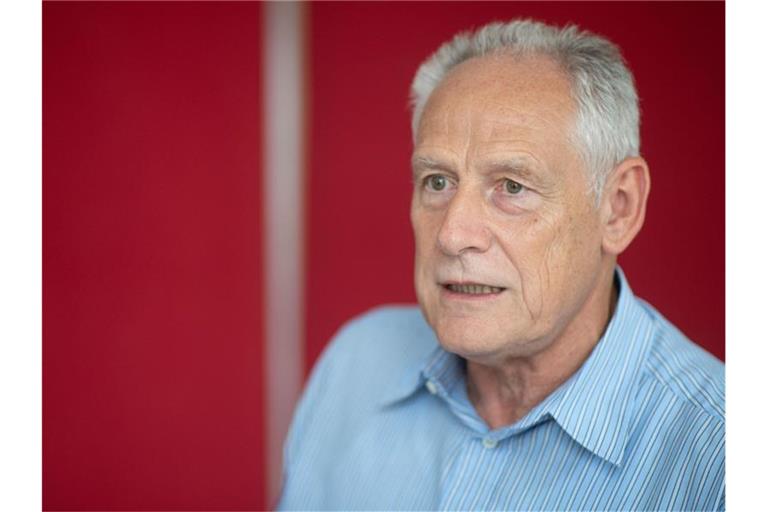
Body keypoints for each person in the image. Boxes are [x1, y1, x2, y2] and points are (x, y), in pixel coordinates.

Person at [278, 19, 724, 511]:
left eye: (512, 186)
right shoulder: (355, 365)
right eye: (437, 182)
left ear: (618, 207)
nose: (451, 234)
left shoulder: (722, 452)